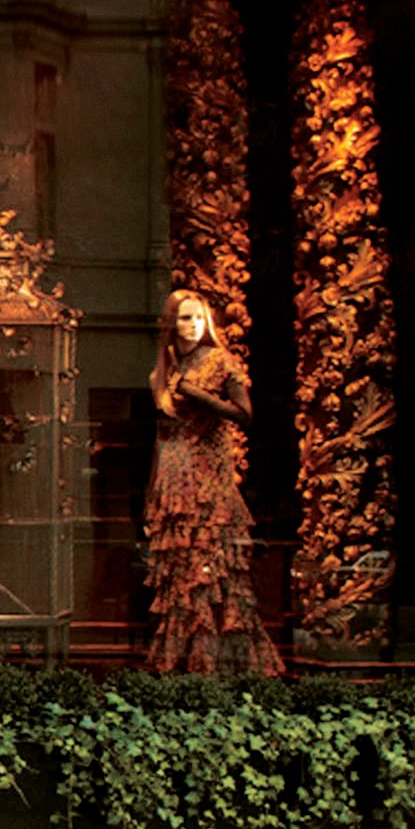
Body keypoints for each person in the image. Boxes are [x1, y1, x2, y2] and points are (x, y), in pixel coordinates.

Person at [142, 287, 286, 677]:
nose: (193, 325)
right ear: (172, 323)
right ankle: (184, 662)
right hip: (175, 474)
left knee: (211, 563)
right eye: (185, 318)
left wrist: (195, 392)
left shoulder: (219, 361)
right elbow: (162, 433)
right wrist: (153, 490)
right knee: (180, 569)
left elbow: (244, 414)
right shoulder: (165, 368)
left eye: (198, 317)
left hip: (209, 472)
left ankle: (222, 662)